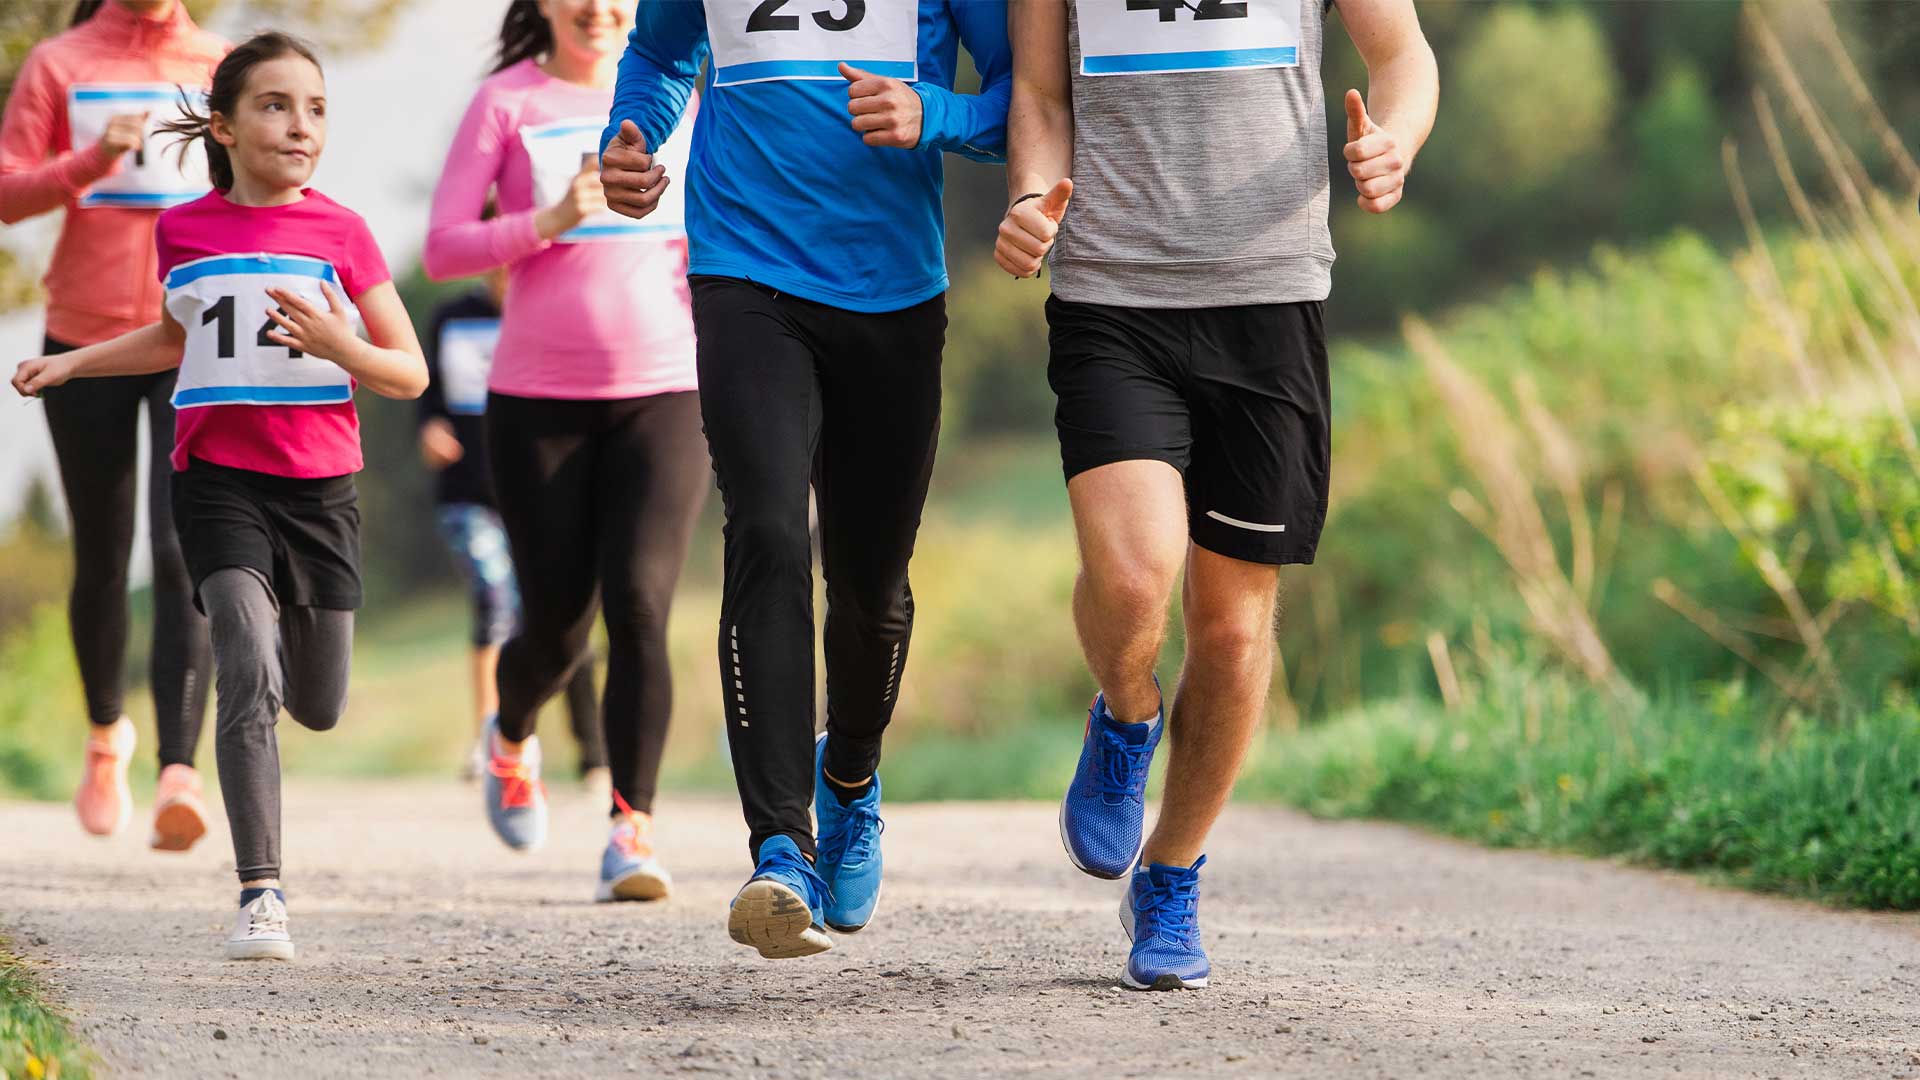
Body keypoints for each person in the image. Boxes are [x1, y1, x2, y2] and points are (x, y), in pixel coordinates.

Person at [996, 0, 1438, 990]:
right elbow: (1037, 90)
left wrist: (1395, 143)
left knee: (1235, 631)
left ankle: (1172, 871)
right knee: (1132, 577)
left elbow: (1403, 54)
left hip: (1271, 297)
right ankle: (1124, 712)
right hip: (1113, 294)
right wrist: (1030, 194)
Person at [601, 0, 1010, 957]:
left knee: (870, 586)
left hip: (892, 290)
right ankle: (781, 846)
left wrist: (932, 115)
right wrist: (630, 139)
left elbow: (1021, 104)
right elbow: (660, 55)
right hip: (744, 270)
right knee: (770, 531)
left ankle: (852, 782)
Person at [12, 32, 428, 961]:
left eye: (315, 108)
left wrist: (341, 347)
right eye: (276, 105)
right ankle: (261, 895)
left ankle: (276, 669)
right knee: (243, 652)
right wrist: (74, 362)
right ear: (226, 126)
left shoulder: (343, 233)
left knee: (315, 703)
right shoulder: (185, 229)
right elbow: (171, 337)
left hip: (320, 490)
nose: (300, 124)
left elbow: (408, 371)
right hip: (217, 483)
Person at [424, 0, 709, 903]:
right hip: (536, 400)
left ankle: (633, 828)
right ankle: (510, 733)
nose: (599, 7)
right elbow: (441, 246)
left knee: (639, 603)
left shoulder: (688, 97)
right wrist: (545, 219)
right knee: (556, 624)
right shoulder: (506, 103)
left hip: (667, 389)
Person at [0, 0, 226, 849]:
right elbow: (7, 193)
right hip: (83, 337)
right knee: (102, 553)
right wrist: (89, 161)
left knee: (181, 547)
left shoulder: (219, 63)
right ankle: (105, 737)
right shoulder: (60, 62)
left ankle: (178, 769)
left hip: (192, 333)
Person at [415, 269, 610, 795]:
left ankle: (593, 754)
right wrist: (428, 427)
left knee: (563, 615)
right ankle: (490, 737)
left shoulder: (553, 308)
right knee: (494, 598)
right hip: (469, 492)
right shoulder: (449, 317)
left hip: (545, 489)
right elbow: (427, 392)